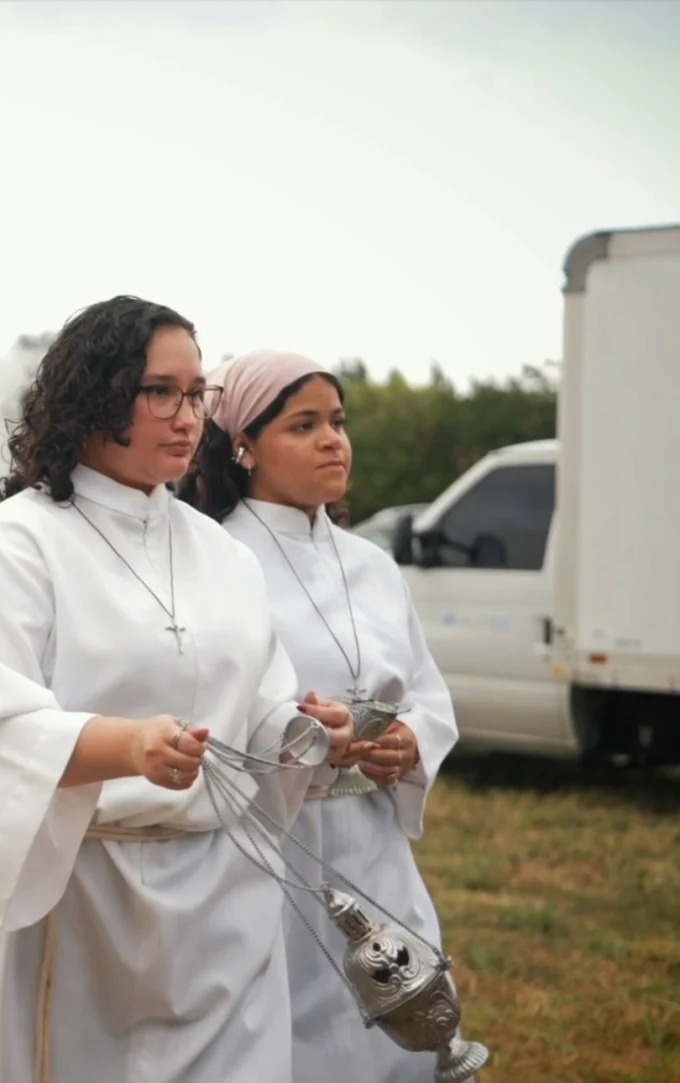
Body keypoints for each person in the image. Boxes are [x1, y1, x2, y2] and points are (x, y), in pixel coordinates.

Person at [0, 295, 356, 1083]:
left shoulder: (223, 555)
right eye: (160, 392)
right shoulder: (18, 544)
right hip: (65, 890)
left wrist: (304, 731)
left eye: (197, 394)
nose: (187, 417)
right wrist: (125, 746)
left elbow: (254, 702)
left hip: (214, 907)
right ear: (94, 395)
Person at [178, 349, 459, 1082]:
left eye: (337, 421)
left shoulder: (373, 565)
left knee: (397, 1017)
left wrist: (408, 740)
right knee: (291, 1029)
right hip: (274, 844)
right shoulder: (211, 559)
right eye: (303, 425)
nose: (333, 440)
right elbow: (198, 697)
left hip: (374, 841)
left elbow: (427, 693)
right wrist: (301, 733)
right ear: (244, 444)